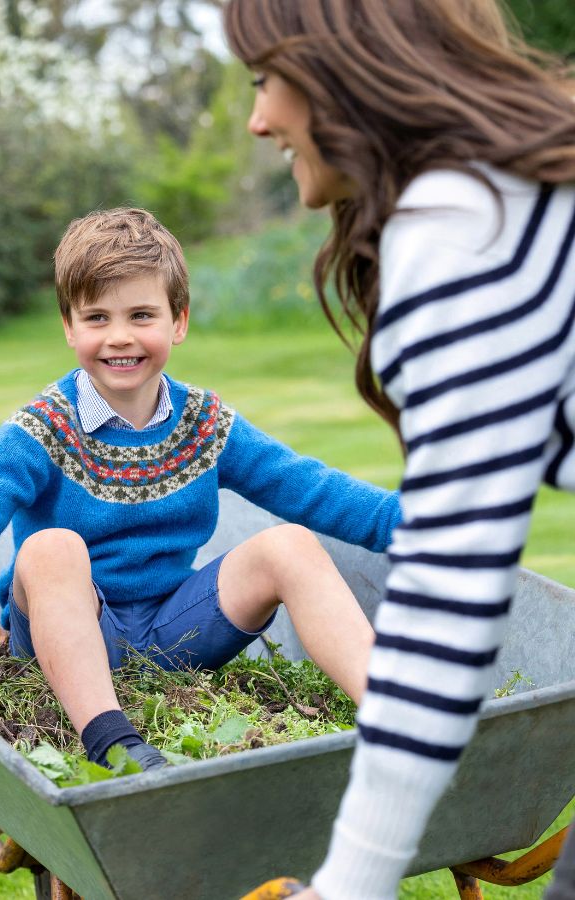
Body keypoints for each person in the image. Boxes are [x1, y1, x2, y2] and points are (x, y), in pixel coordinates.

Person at [224, 0, 575, 896]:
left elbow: (450, 605)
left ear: (339, 67)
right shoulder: (517, 189)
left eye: (267, 81)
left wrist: (351, 881)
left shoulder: (459, 234)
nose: (259, 118)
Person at [0, 207, 401, 775]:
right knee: (50, 548)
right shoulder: (43, 428)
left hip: (174, 631)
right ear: (69, 326)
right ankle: (114, 744)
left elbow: (311, 488)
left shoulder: (205, 423)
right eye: (97, 317)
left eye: (142, 315)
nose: (120, 337)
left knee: (289, 543)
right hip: (64, 637)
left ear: (178, 321)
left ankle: (393, 717)